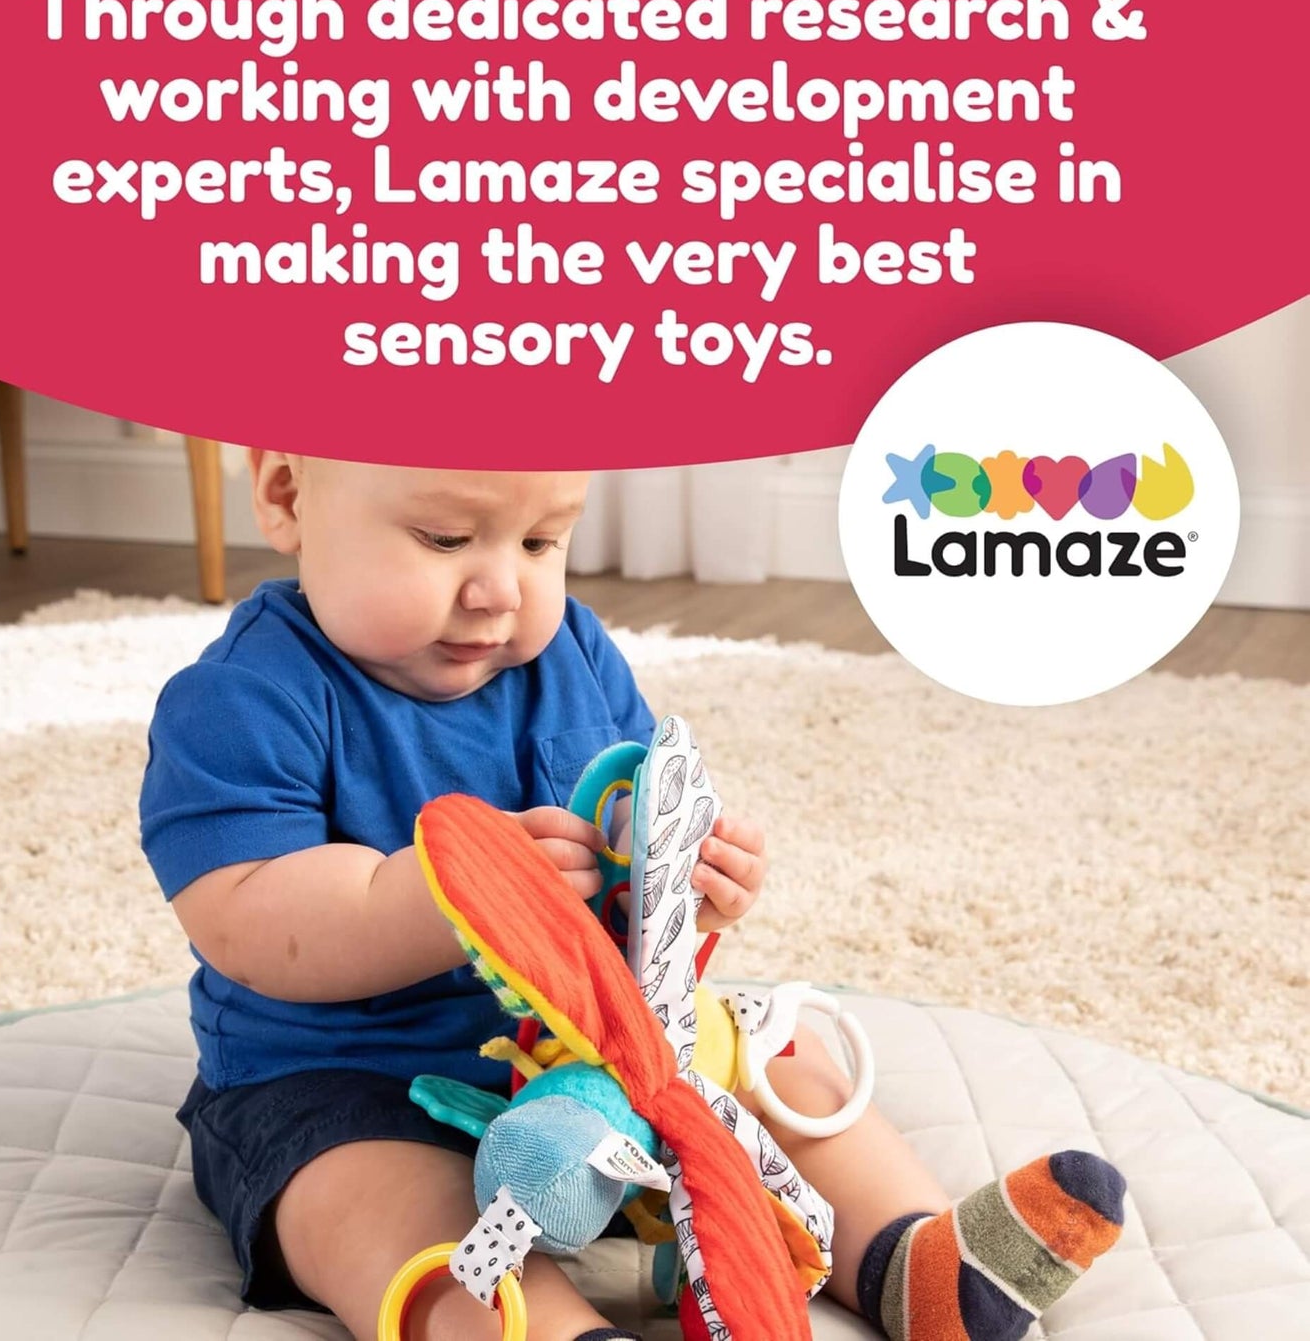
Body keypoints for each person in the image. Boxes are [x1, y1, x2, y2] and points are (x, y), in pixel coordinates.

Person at [140, 455, 1125, 1341]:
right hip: (345, 1080)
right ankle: (556, 1329)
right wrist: (455, 894)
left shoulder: (569, 651)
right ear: (284, 494)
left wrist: (685, 886)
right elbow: (247, 917)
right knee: (375, 1203)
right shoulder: (241, 697)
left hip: (593, 1057)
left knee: (780, 1059)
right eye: (443, 539)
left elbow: (628, 831)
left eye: (539, 540)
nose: (497, 589)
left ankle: (911, 1255)